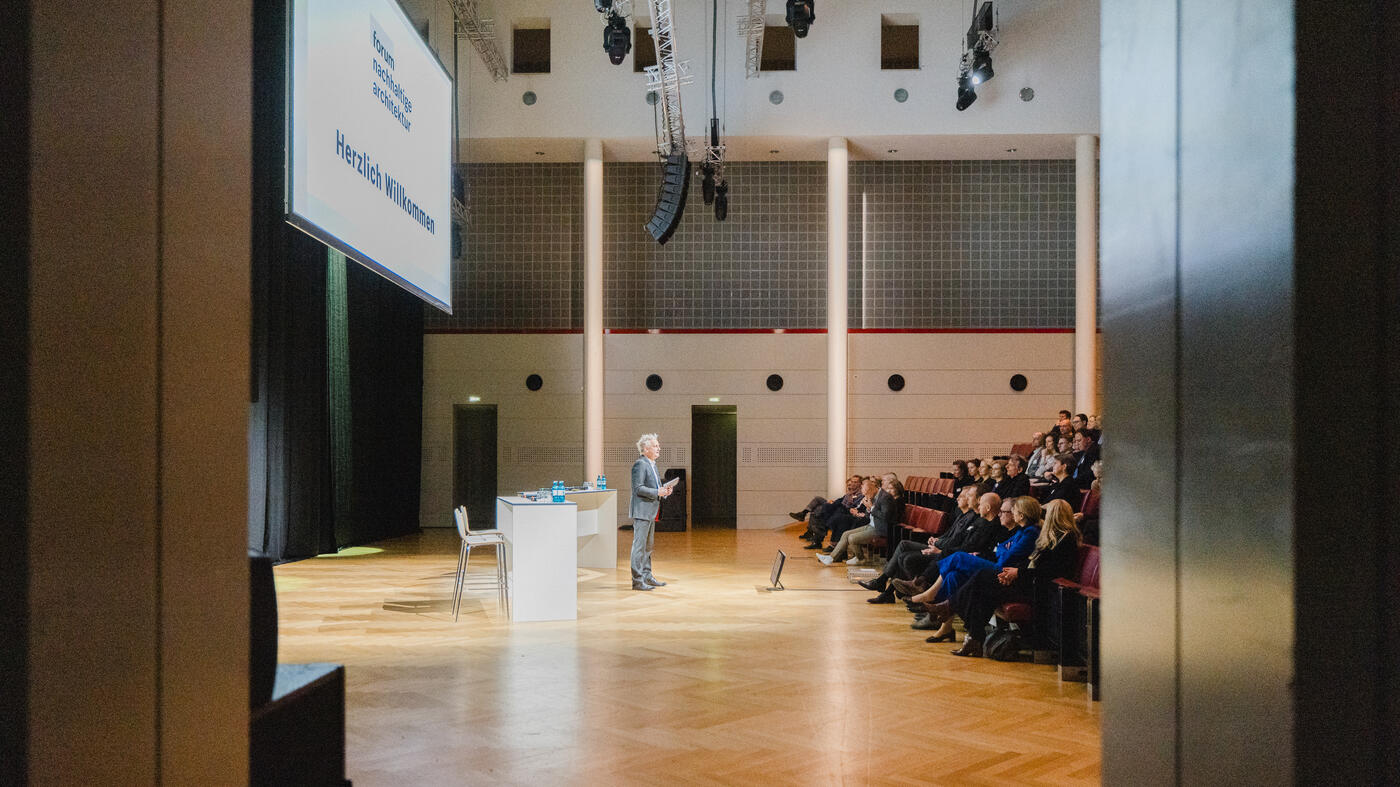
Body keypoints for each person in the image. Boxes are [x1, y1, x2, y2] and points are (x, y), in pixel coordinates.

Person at [944, 498, 1083, 657]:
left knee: (983, 579)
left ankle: (955, 612)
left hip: (1041, 589)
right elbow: (1032, 563)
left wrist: (1017, 573)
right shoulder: (1054, 536)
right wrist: (1014, 572)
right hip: (1032, 581)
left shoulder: (1065, 539)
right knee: (983, 587)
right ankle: (972, 637)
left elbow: (1051, 571)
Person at [817, 476, 898, 565]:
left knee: (852, 538)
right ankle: (831, 558)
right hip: (871, 525)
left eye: (865, 492)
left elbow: (885, 517)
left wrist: (871, 507)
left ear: (869, 489)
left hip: (880, 529)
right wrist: (868, 508)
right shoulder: (875, 495)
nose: (864, 494)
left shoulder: (885, 497)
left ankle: (860, 558)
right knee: (846, 534)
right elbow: (870, 514)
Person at [629, 433, 672, 591]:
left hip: (650, 511)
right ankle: (637, 580)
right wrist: (657, 492)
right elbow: (638, 488)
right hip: (642, 512)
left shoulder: (652, 464)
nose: (658, 448)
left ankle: (647, 575)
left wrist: (663, 492)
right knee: (639, 547)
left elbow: (654, 489)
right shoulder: (640, 464)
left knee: (648, 547)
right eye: (655, 446)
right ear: (645, 449)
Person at [798, 474, 863, 549]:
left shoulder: (860, 494)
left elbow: (850, 506)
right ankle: (816, 538)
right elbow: (841, 502)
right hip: (839, 510)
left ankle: (814, 535)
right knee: (815, 511)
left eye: (855, 482)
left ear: (860, 484)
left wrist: (837, 504)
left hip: (847, 514)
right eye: (852, 481)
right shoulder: (849, 493)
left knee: (819, 511)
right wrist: (834, 503)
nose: (852, 484)